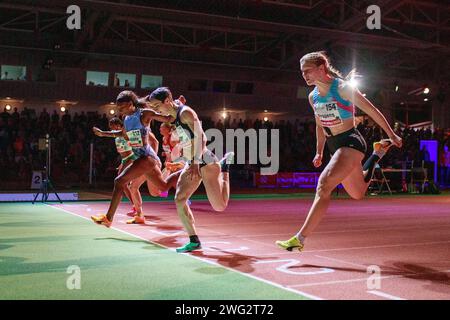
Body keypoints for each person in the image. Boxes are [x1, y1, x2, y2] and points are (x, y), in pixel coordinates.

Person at [276, 51, 402, 252]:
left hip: (351, 141)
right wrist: (319, 151)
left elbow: (372, 111)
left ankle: (300, 238)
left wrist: (392, 134)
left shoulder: (343, 89)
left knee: (324, 185)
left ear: (321, 68)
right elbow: (319, 125)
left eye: (307, 71)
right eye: (302, 73)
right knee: (358, 193)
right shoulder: (313, 96)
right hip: (335, 145)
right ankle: (377, 153)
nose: (304, 76)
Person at [145, 87, 234, 252]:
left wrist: (196, 162)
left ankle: (225, 169)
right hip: (191, 163)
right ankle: (194, 240)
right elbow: (155, 112)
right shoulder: (173, 114)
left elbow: (203, 137)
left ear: (167, 101)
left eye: (157, 106)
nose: (156, 110)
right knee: (179, 199)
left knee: (219, 206)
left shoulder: (186, 113)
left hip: (204, 160)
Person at [90, 90, 180, 227]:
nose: (120, 111)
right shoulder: (126, 119)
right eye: (118, 108)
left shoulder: (144, 114)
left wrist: (177, 106)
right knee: (163, 186)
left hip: (147, 158)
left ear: (131, 104)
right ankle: (182, 173)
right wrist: (104, 134)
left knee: (119, 181)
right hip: (143, 159)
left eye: (122, 108)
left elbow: (168, 118)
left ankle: (108, 218)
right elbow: (123, 134)